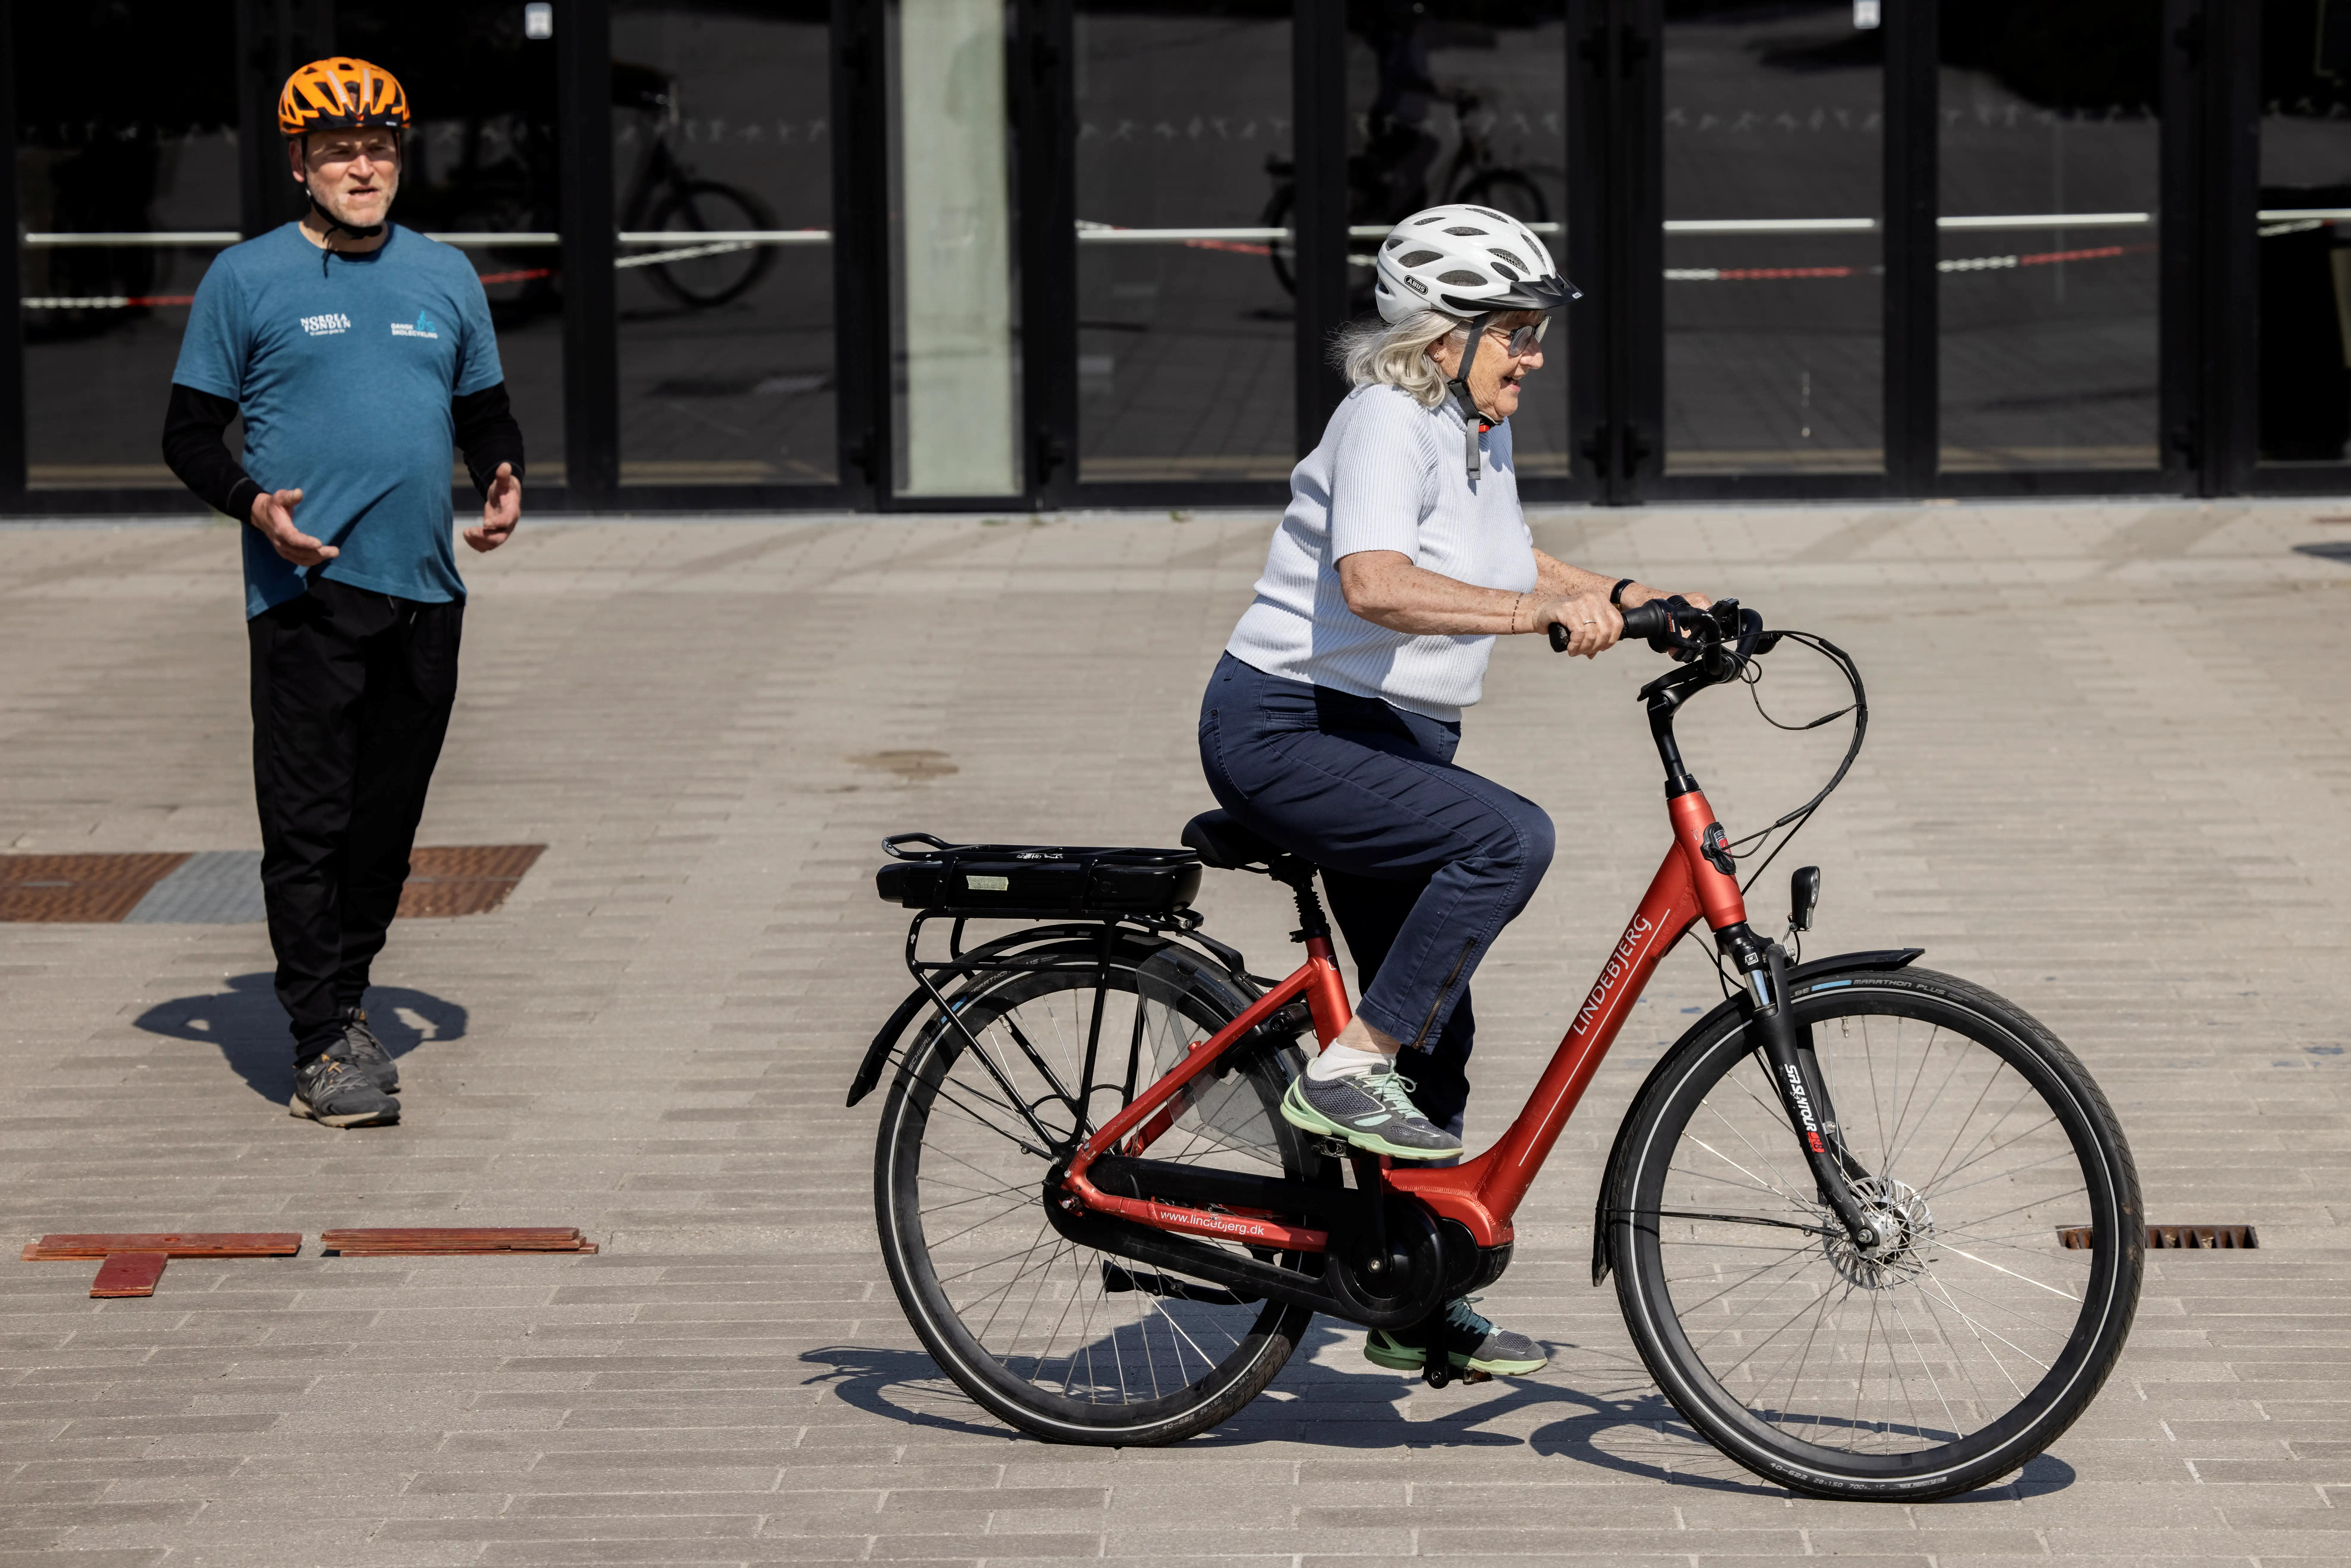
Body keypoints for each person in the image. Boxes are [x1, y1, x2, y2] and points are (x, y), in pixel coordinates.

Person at [1199, 204, 1712, 1379]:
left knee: (1439, 1021)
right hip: (1289, 728)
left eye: (1533, 333)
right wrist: (1541, 617)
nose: (1532, 354)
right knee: (1506, 839)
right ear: (1443, 337)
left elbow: (1507, 558)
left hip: (1381, 737)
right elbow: (1376, 583)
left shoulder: (1468, 426)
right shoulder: (1386, 418)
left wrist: (1646, 602)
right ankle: (1340, 1070)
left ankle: (1405, 1294)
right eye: (1514, 333)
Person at [160, 57, 524, 1128]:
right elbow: (187, 433)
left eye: (378, 149)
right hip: (307, 597)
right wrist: (252, 506)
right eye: (338, 152)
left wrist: (503, 474)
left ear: (399, 158)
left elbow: (483, 411)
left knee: (386, 827)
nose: (362, 167)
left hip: (429, 594)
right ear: (300, 166)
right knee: (310, 826)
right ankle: (320, 1037)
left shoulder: (446, 274)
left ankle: (346, 998)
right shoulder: (247, 279)